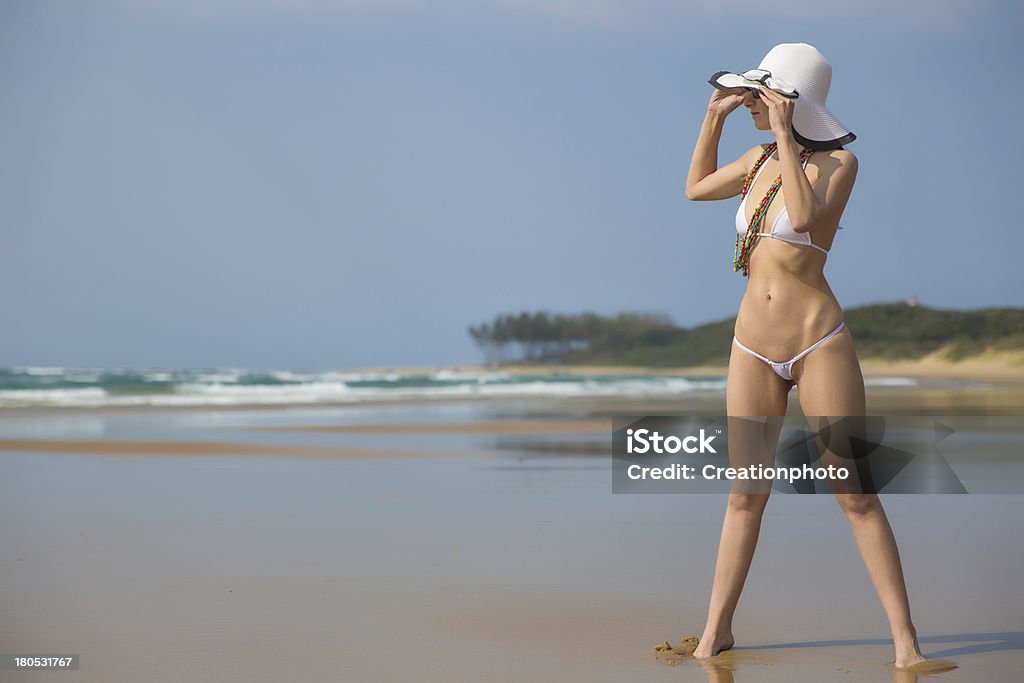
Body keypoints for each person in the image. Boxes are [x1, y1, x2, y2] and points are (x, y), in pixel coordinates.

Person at [683, 43, 930, 670]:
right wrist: (714, 116)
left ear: (791, 101)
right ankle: (715, 633)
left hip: (818, 342)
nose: (752, 107)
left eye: (762, 97)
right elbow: (693, 190)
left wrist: (790, 136)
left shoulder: (839, 164)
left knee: (854, 491)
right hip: (750, 344)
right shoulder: (754, 157)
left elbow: (803, 214)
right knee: (745, 494)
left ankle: (905, 643)